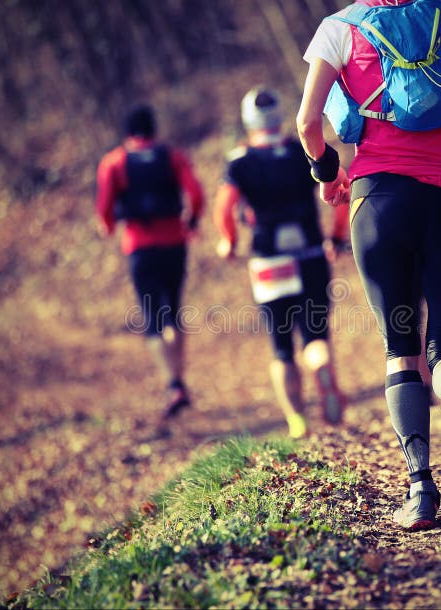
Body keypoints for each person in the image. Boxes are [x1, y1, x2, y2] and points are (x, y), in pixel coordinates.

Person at [297, 0, 441, 529]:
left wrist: (327, 172)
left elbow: (308, 122)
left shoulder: (338, 28)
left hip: (379, 203)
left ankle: (420, 489)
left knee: (401, 351)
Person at [214, 86, 348, 439]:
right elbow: (339, 189)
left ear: (248, 120)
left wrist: (228, 241)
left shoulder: (240, 161)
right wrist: (336, 237)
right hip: (310, 255)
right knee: (315, 336)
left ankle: (297, 420)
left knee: (282, 348)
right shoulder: (301, 152)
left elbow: (224, 206)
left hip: (269, 263)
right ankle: (322, 371)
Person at [96, 104, 205, 421]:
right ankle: (180, 380)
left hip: (139, 247)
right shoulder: (171, 156)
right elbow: (196, 193)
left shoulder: (114, 162)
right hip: (174, 243)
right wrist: (192, 220)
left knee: (152, 318)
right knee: (174, 313)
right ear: (154, 129)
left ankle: (174, 384)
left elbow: (104, 206)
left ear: (127, 131)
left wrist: (108, 226)